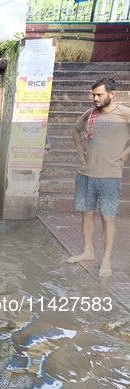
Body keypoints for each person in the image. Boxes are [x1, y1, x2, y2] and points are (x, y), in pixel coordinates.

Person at [67, 77, 130, 278]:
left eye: (99, 94)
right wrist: (78, 148)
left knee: (107, 218)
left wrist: (126, 152)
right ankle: (88, 251)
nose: (95, 98)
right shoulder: (90, 113)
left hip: (110, 176)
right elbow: (76, 130)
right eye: (93, 94)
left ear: (112, 94)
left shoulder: (124, 113)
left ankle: (106, 260)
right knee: (86, 213)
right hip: (86, 174)